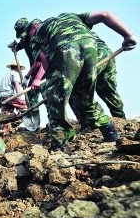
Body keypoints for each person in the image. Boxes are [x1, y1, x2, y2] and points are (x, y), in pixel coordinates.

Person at [16, 12, 137, 151]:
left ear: (33, 28)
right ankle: (110, 133)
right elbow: (105, 15)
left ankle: (59, 145)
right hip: (92, 49)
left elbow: (44, 61)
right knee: (84, 97)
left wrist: (54, 84)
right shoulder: (70, 16)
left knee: (56, 102)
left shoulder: (37, 35)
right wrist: (128, 35)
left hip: (65, 51)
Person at [12, 18, 47, 116]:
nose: (23, 38)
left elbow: (39, 63)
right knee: (31, 96)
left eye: (24, 34)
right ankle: (34, 121)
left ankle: (55, 121)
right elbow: (19, 46)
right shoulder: (25, 39)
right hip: (34, 72)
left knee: (47, 95)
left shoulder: (36, 39)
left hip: (44, 70)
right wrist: (14, 47)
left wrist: (28, 76)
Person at [0, 59, 27, 134]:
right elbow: (16, 84)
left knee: (5, 115)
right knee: (25, 109)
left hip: (2, 97)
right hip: (10, 96)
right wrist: (19, 96)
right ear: (18, 67)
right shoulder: (15, 73)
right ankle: (14, 123)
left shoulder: (6, 75)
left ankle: (4, 130)